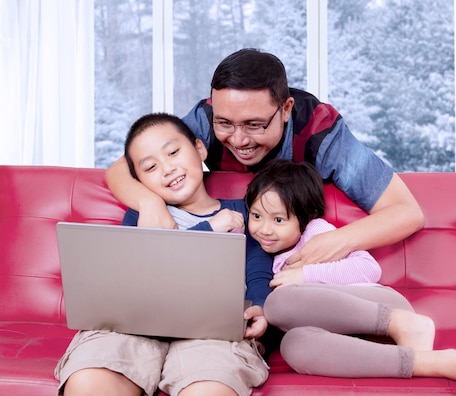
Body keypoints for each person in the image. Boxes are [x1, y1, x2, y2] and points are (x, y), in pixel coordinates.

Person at [104, 48, 424, 273]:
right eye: (225, 123)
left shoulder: (320, 130)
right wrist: (150, 204)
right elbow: (124, 166)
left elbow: (406, 212)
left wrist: (337, 241)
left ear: (285, 109)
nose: (239, 140)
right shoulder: (205, 118)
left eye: (255, 125)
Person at [54, 113, 273, 396]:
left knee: (209, 388)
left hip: (214, 332)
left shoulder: (244, 213)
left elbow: (259, 267)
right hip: (135, 327)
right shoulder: (142, 217)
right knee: (90, 378)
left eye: (173, 153)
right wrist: (210, 229)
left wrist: (261, 306)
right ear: (139, 181)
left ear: (199, 149)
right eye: (151, 167)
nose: (168, 168)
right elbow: (138, 279)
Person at [244, 159, 456, 396]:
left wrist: (305, 274)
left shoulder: (315, 232)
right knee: (294, 346)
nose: (264, 229)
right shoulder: (265, 256)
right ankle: (432, 363)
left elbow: (368, 269)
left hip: (382, 308)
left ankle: (402, 325)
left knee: (279, 303)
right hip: (353, 338)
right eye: (256, 216)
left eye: (278, 219)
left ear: (306, 216)